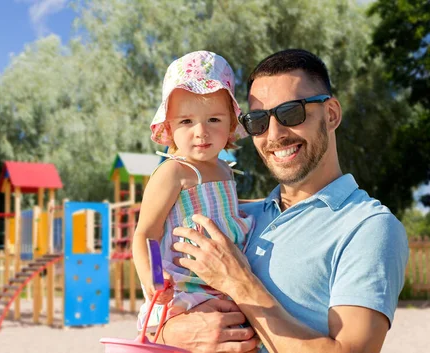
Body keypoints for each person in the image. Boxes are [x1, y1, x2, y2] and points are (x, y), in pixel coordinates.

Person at [157, 49, 409, 353]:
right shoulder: (236, 216)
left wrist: (239, 281)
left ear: (331, 114)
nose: (274, 134)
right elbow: (158, 318)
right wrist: (171, 332)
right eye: (259, 121)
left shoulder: (368, 227)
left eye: (292, 113)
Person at [132, 50, 254, 333]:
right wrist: (153, 278)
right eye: (186, 121)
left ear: (231, 124)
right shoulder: (174, 172)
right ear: (169, 127)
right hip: (187, 288)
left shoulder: (225, 169)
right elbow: (146, 232)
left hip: (228, 281)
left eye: (213, 120)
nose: (201, 132)